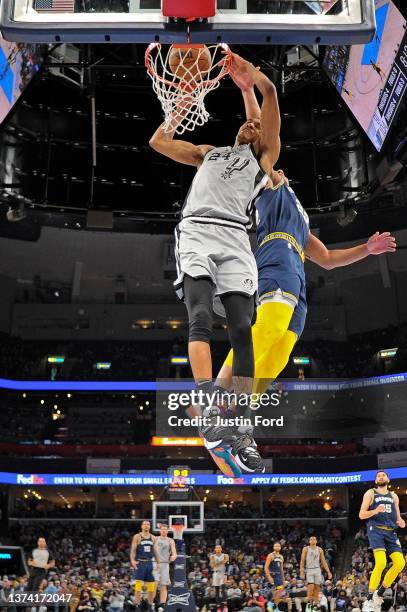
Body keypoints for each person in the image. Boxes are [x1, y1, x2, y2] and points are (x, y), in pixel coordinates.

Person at [213, 54, 397, 473]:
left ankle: (239, 427)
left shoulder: (294, 207)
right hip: (273, 263)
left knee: (278, 354)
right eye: (251, 139)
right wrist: (250, 89)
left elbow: (328, 259)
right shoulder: (257, 174)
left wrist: (365, 251)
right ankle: (222, 405)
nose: (255, 136)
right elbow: (263, 120)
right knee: (269, 332)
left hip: (296, 277)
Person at [149, 51, 281, 472]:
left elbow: (271, 94)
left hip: (235, 237)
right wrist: (181, 107)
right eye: (248, 120)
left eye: (257, 125)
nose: (252, 124)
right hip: (197, 231)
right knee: (200, 317)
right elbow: (159, 143)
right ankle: (208, 405)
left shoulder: (262, 159)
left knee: (243, 329)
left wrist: (252, 79)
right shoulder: (209, 151)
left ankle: (242, 428)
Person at [359, 470, 405, 612]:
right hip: (376, 530)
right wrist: (375, 511)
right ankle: (369, 598)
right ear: (375, 481)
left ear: (388, 479)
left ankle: (379, 593)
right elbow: (361, 514)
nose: (380, 477)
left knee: (400, 563)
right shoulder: (371, 493)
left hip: (391, 532)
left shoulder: (394, 496)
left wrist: (401, 521)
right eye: (378, 476)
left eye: (383, 475)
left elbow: (397, 517)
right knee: (381, 562)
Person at [130, 520, 158, 611]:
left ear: (150, 527)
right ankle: (138, 606)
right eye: (145, 524)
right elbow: (133, 550)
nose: (146, 526)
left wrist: (158, 562)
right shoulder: (137, 537)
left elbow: (155, 551)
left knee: (151, 586)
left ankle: (150, 606)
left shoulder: (153, 538)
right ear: (142, 526)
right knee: (138, 586)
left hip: (150, 563)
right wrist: (132, 561)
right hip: (140, 562)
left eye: (148, 524)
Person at [300, 536, 332, 612]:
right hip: (309, 569)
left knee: (317, 588)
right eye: (311, 539)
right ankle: (309, 603)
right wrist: (301, 570)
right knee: (311, 586)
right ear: (309, 541)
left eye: (314, 539)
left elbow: (323, 561)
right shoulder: (306, 549)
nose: (313, 540)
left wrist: (328, 572)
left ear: (316, 541)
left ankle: (316, 605)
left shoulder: (320, 549)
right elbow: (302, 560)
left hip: (317, 569)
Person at [154, 524, 177, 611]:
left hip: (165, 565)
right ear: (160, 530)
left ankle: (162, 605)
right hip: (155, 564)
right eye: (162, 529)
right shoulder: (155, 539)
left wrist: (173, 556)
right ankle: (151, 603)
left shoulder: (170, 540)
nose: (163, 531)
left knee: (164, 586)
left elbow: (174, 553)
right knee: (154, 585)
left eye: (165, 529)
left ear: (167, 531)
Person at [209, 545, 229, 611]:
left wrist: (216, 562)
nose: (218, 549)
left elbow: (225, 561)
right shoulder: (212, 556)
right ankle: (218, 607)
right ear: (215, 549)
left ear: (221, 549)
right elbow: (212, 565)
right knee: (217, 591)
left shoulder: (225, 555)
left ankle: (225, 606)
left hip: (223, 572)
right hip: (215, 573)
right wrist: (221, 562)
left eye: (219, 548)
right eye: (216, 548)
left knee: (223, 589)